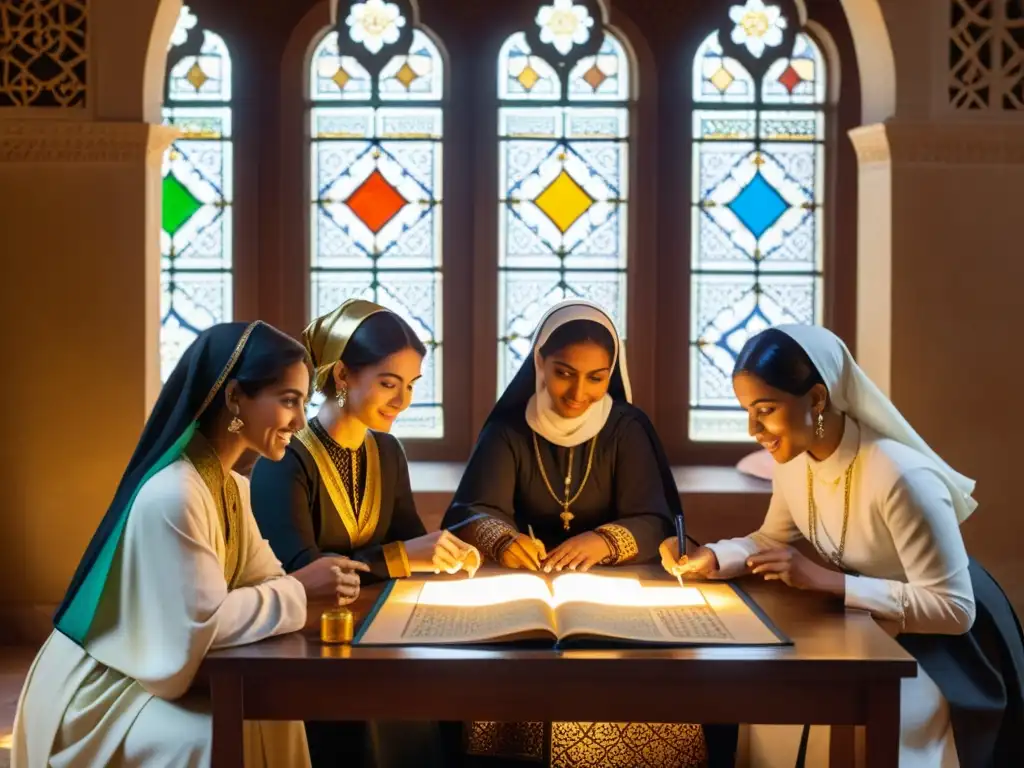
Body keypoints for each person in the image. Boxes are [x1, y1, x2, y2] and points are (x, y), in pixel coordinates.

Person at [661, 325, 1024, 768]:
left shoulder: (901, 477)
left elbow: (954, 609)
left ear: (816, 398)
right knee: (776, 699)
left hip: (947, 645)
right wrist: (714, 557)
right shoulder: (796, 461)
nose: (753, 428)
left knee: (878, 717)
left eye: (766, 409)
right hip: (871, 622)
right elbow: (769, 539)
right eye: (747, 412)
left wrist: (830, 582)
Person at [12, 320, 371, 768]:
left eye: (303, 404)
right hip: (107, 690)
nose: (300, 422)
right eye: (288, 401)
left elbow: (265, 582)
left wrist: (305, 587)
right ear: (236, 397)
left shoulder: (230, 488)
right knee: (211, 737)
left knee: (276, 718)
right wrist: (300, 591)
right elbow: (197, 628)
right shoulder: (175, 493)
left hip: (156, 671)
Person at [443, 300, 728, 768]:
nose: (578, 392)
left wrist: (604, 541)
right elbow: (471, 511)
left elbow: (656, 518)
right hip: (527, 599)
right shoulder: (509, 428)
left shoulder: (628, 428)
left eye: (596, 377)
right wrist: (503, 539)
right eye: (563, 373)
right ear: (537, 361)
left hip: (617, 600)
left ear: (612, 373)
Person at [250, 298, 478, 768]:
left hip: (379, 635)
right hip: (309, 646)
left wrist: (445, 557)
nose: (403, 400)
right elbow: (304, 575)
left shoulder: (388, 451)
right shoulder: (285, 461)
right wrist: (402, 556)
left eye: (411, 386)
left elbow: (411, 541)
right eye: (389, 383)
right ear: (342, 377)